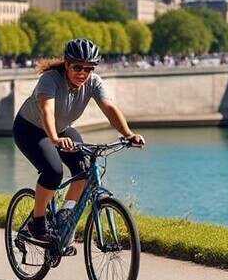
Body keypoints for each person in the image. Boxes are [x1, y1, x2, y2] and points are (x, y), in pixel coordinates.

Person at [13, 38, 144, 247]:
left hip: (62, 130)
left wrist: (128, 134)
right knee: (53, 172)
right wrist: (55, 138)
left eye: (89, 68)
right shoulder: (50, 80)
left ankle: (64, 216)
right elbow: (47, 110)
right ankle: (37, 222)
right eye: (77, 67)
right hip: (30, 130)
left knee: (84, 168)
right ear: (67, 64)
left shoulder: (93, 82)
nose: (83, 73)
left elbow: (109, 108)